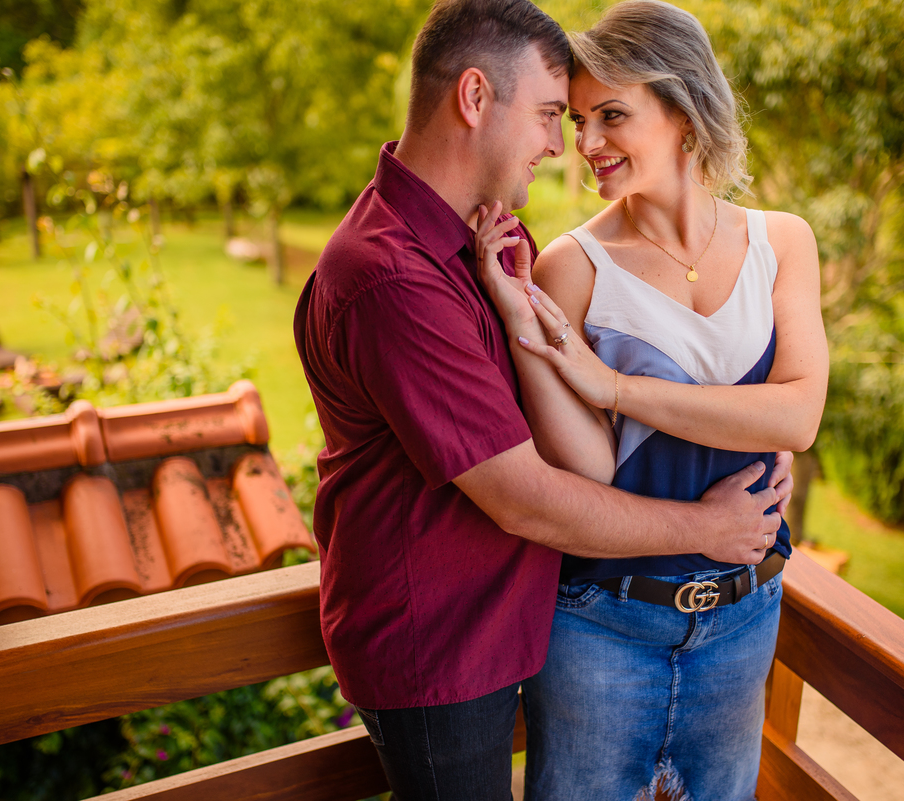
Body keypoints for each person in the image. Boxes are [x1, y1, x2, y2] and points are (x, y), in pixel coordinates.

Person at [293, 1, 794, 798]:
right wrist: (708, 526)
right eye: (553, 114)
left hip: (509, 628)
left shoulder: (482, 240)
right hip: (439, 649)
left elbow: (579, 451)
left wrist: (747, 447)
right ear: (474, 97)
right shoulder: (391, 277)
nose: (564, 145)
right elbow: (524, 495)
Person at [472, 2, 829, 799]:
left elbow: (798, 416)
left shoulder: (783, 243)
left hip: (745, 617)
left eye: (612, 115)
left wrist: (619, 388)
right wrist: (522, 318)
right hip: (602, 625)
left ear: (683, 110)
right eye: (578, 120)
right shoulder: (574, 267)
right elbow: (591, 466)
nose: (585, 142)